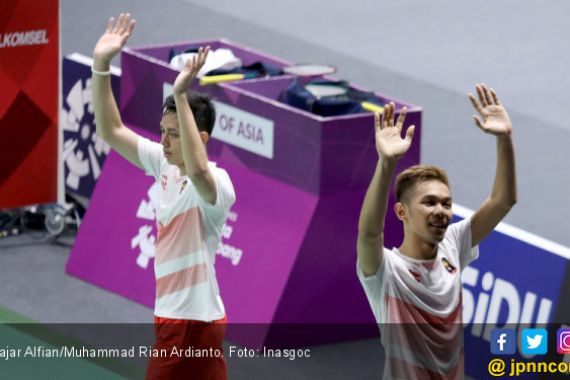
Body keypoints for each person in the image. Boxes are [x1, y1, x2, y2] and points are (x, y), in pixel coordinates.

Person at [91, 13, 235, 379]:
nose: (164, 141)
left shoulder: (217, 185)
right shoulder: (165, 164)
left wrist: (181, 95)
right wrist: (101, 65)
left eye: (173, 133)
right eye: (162, 132)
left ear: (200, 139)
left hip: (186, 324)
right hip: (189, 319)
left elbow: (200, 171)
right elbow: (110, 130)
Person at [357, 85, 516, 378]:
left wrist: (504, 139)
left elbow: (503, 201)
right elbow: (369, 233)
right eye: (429, 203)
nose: (441, 211)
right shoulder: (386, 274)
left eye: (446, 203)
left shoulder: (453, 245)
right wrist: (386, 164)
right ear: (402, 212)